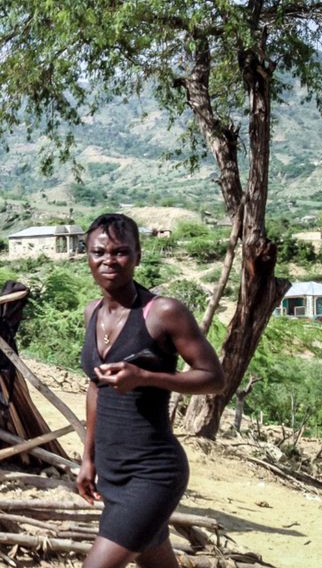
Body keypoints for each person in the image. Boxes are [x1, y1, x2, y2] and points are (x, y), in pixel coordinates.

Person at [76, 213, 224, 568]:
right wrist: (88, 457)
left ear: (138, 257)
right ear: (87, 257)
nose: (108, 260)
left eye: (120, 252)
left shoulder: (162, 312)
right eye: (99, 253)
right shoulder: (91, 312)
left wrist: (145, 376)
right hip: (112, 471)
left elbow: (214, 377)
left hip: (153, 472)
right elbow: (97, 389)